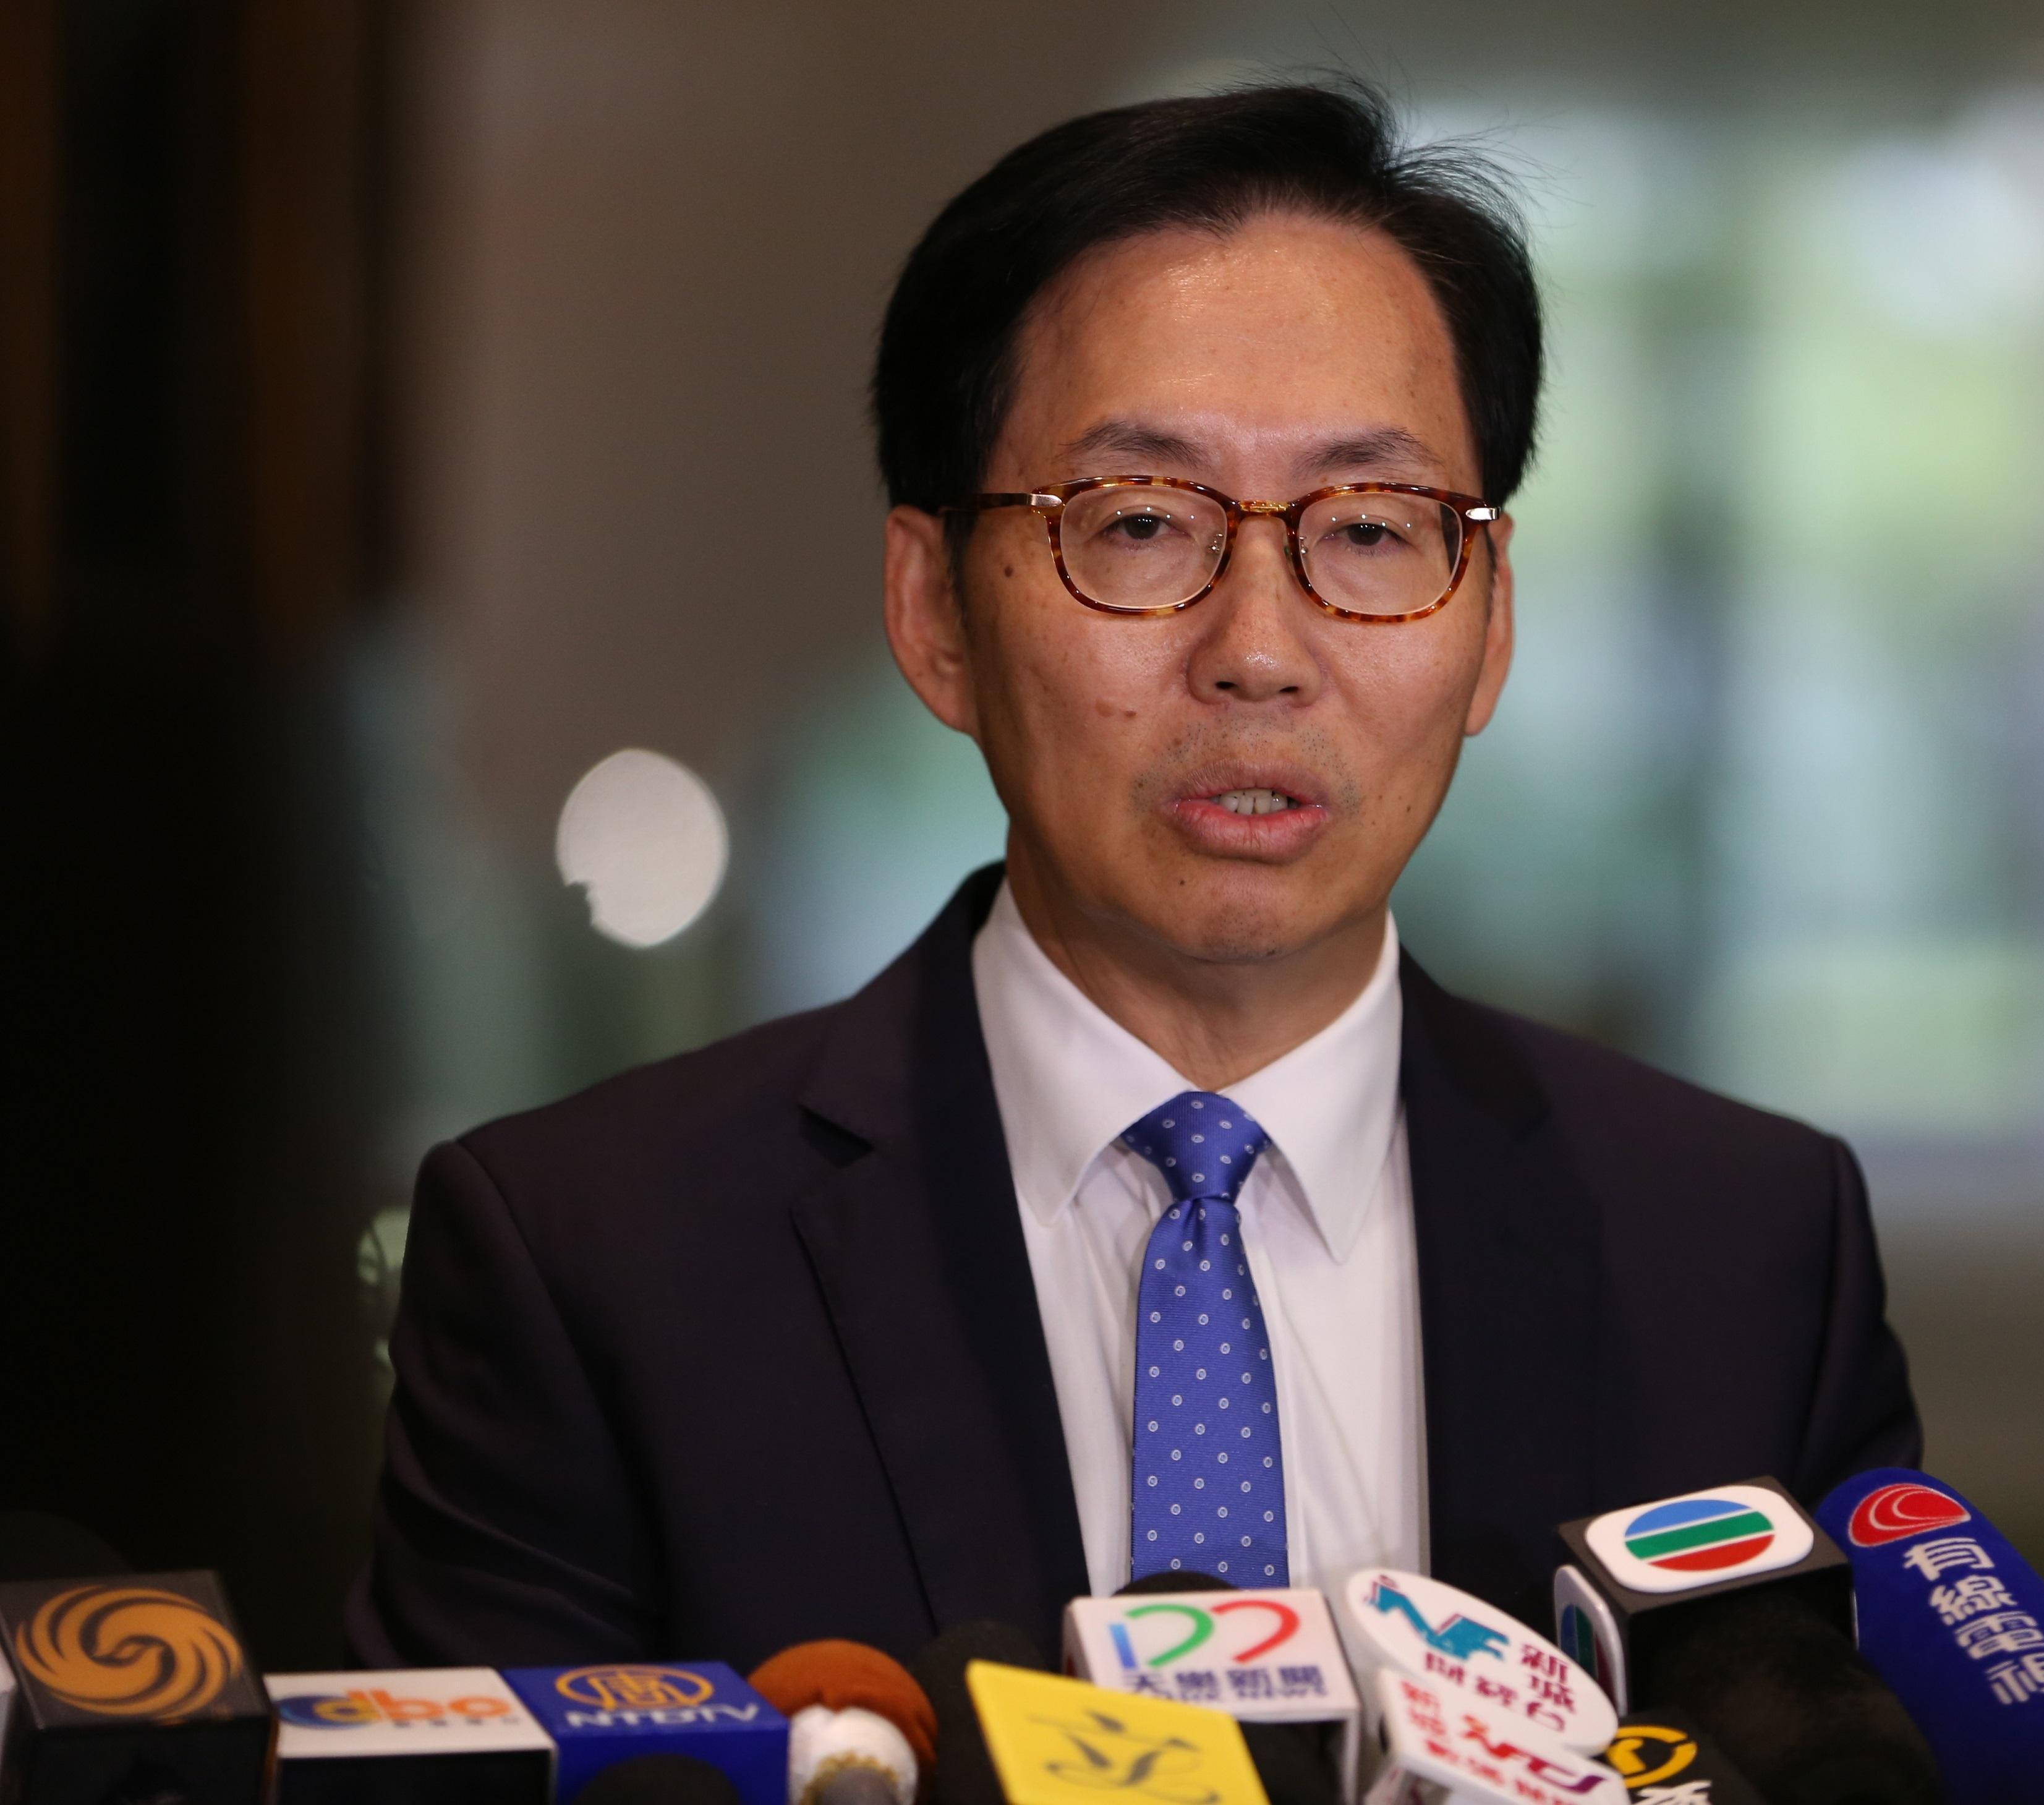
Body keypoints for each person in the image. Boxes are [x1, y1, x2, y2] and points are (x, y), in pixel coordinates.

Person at [348, 82, 1919, 1670]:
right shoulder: (595, 1257)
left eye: (1373, 530)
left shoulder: (1741, 1247)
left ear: (1489, 616)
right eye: (1142, 522)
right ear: (934, 611)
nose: (1258, 651)